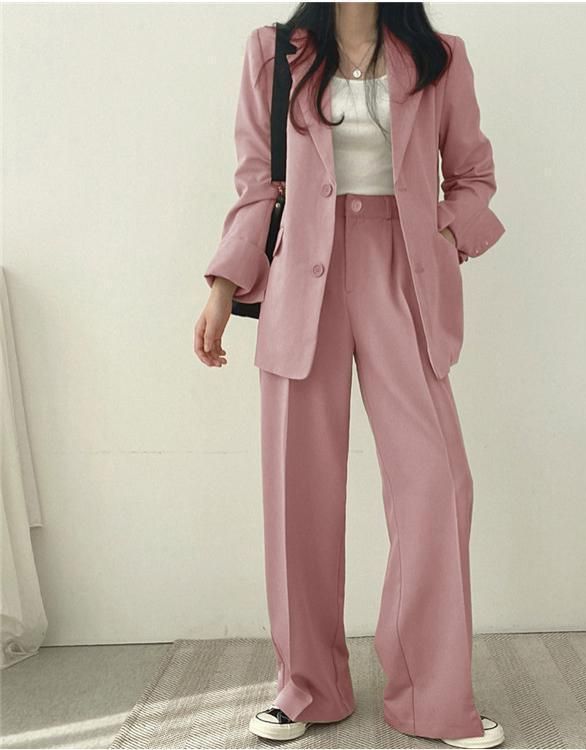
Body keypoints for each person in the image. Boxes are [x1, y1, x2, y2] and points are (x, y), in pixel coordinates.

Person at [194, 3, 506, 748]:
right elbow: (258, 182)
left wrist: (439, 231)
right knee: (298, 491)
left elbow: (473, 177)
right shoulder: (275, 52)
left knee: (438, 484)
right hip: (302, 275)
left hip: (403, 274)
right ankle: (306, 687)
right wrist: (223, 284)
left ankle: (432, 697)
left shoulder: (440, 57)